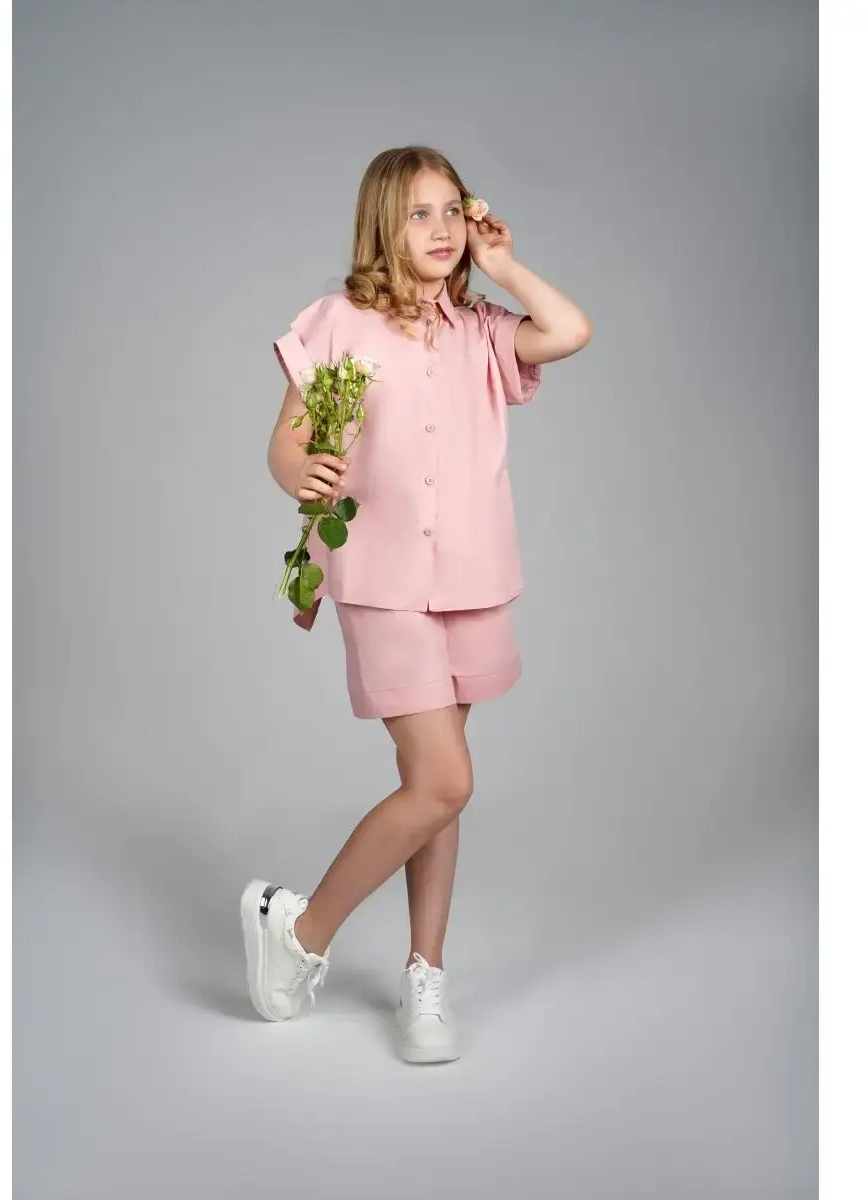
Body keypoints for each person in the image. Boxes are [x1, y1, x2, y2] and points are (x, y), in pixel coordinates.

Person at [241, 145, 592, 1064]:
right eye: (417, 214)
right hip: (382, 579)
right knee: (444, 781)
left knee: (438, 787)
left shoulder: (482, 329)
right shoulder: (338, 323)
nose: (440, 230)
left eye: (451, 211)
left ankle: (423, 975)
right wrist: (300, 472)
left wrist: (503, 262)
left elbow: (570, 330)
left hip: (474, 579)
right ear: (382, 226)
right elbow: (285, 444)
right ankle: (302, 931)